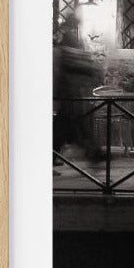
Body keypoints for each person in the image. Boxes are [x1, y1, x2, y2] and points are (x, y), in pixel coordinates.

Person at [53, 15, 104, 163]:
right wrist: (90, 68)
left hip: (69, 94)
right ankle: (93, 153)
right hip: (70, 93)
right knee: (72, 126)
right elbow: (76, 61)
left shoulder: (65, 36)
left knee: (63, 128)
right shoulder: (67, 37)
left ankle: (92, 152)